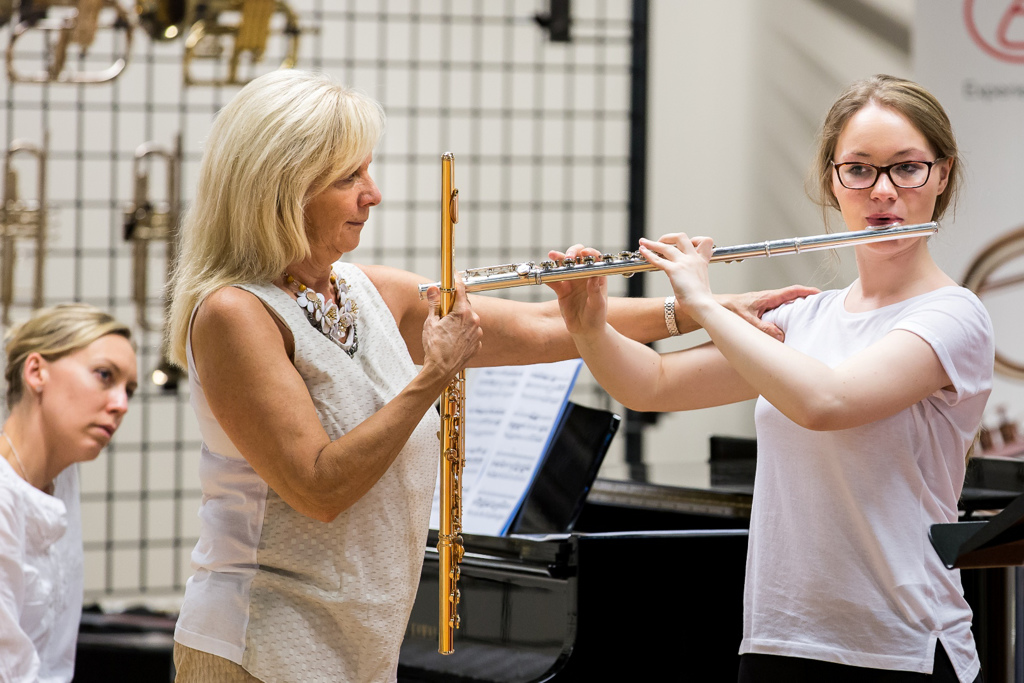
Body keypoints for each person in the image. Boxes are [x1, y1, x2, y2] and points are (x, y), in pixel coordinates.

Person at [164, 68, 815, 683]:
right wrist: (433, 375)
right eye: (348, 177)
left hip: (357, 641)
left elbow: (545, 325)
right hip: (258, 643)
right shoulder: (234, 313)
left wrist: (709, 311)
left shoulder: (362, 289)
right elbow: (320, 489)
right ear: (283, 187)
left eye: (368, 169)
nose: (374, 192)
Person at [554, 74, 992, 683]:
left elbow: (826, 401)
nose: (882, 190)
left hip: (901, 647)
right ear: (833, 180)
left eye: (907, 168)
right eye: (858, 169)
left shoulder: (954, 316)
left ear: (941, 175)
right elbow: (651, 384)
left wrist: (701, 302)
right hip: (779, 640)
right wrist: (588, 324)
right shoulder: (805, 316)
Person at [0, 303, 137, 683]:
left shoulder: (61, 474)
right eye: (104, 375)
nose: (121, 405)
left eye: (129, 390)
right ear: (36, 371)